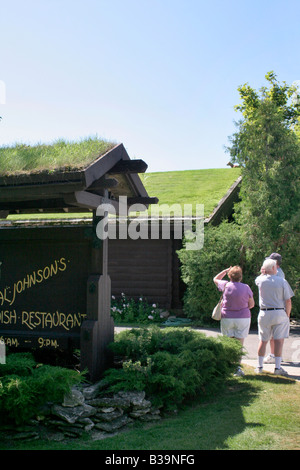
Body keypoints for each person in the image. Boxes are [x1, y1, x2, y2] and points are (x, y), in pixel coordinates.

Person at [255, 258, 294, 375]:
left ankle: (259, 366)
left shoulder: (260, 280)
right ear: (273, 268)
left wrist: (264, 271)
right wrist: (287, 314)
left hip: (264, 312)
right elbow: (288, 300)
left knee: (263, 340)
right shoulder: (282, 281)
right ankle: (277, 367)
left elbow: (258, 278)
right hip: (278, 311)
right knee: (278, 340)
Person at [213, 266, 255, 376]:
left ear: (229, 276)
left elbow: (215, 279)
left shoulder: (225, 285)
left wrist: (225, 271)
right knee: (239, 344)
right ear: (241, 276)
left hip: (227, 317)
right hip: (243, 317)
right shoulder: (246, 287)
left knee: (227, 342)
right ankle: (237, 368)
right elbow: (252, 304)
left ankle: (227, 367)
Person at [261, 253, 285, 364]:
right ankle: (276, 354)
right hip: (278, 306)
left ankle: (273, 355)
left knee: (274, 335)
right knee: (277, 335)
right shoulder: (279, 273)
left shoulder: (277, 274)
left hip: (274, 306)